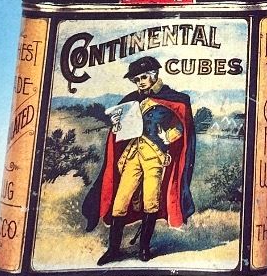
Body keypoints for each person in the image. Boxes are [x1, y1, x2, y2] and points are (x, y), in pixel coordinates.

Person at [82, 56, 196, 263]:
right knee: (120, 201)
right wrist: (116, 124)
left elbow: (181, 126)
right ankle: (113, 250)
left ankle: (144, 248)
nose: (140, 82)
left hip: (155, 156)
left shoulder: (174, 98)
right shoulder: (132, 99)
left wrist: (168, 137)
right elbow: (122, 127)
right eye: (136, 80)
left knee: (151, 202)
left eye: (143, 77)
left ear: (154, 75)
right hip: (132, 155)